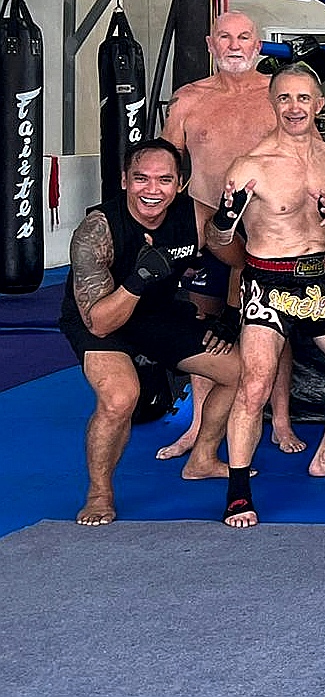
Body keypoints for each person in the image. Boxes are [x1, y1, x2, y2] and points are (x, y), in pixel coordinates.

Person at [216, 65, 325, 528]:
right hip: (268, 283)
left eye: (304, 98)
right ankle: (237, 491)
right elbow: (217, 239)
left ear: (319, 104)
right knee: (255, 385)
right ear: (272, 103)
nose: (294, 108)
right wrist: (225, 217)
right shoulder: (250, 165)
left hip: (323, 280)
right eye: (285, 98)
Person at [61, 140, 239, 525]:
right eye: (141, 179)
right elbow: (100, 322)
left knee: (239, 372)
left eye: (164, 180)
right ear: (125, 181)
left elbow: (240, 260)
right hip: (101, 317)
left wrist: (230, 309)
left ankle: (203, 457)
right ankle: (99, 492)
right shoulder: (97, 230)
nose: (152, 190)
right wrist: (139, 278)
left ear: (180, 183)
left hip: (156, 313)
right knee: (121, 397)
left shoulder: (194, 216)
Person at [160, 10, 300, 459]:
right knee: (201, 326)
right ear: (209, 44)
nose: (235, 45)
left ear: (258, 46)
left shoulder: (276, 96)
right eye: (225, 37)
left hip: (267, 229)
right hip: (204, 229)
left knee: (274, 327)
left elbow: (302, 155)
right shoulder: (187, 100)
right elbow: (166, 164)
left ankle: (280, 419)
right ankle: (200, 426)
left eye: (244, 37)